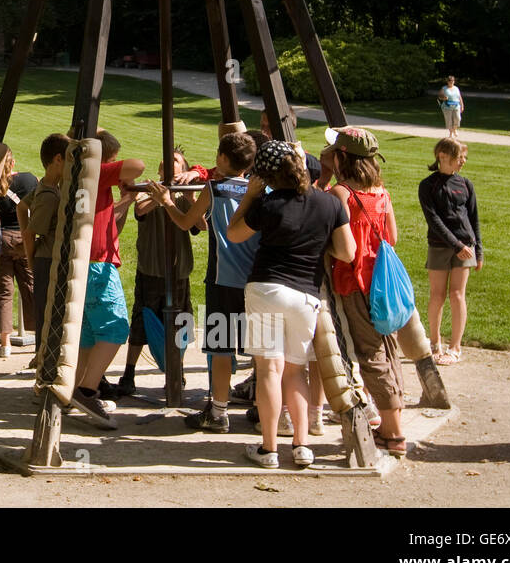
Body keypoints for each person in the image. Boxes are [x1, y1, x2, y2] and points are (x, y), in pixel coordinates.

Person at [228, 139, 355, 470]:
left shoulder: (268, 204)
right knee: (297, 370)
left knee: (269, 368)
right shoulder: (329, 204)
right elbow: (347, 252)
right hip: (305, 294)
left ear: (268, 176)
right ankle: (301, 445)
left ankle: (268, 449)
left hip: (267, 288)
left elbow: (234, 233)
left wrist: (250, 197)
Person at [155, 131, 259, 433]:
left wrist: (166, 201)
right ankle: (267, 409)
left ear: (223, 158)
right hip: (258, 282)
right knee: (263, 350)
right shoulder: (261, 192)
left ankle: (218, 411)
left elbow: (187, 223)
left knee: (222, 349)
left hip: (222, 280)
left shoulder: (215, 189)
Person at [325, 127, 408, 457]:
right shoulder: (381, 192)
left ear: (342, 157)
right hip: (383, 284)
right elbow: (393, 237)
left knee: (370, 356)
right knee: (388, 349)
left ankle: (393, 432)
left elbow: (343, 248)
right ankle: (393, 421)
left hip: (355, 282)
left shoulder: (341, 194)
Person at [69, 129, 143, 428]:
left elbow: (108, 218)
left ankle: (73, 391)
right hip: (98, 266)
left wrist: (124, 199)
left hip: (82, 264)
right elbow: (137, 165)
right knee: (115, 328)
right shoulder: (95, 173)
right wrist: (118, 172)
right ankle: (88, 391)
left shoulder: (78, 176)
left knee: (88, 336)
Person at [120, 147, 195, 397]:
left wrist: (181, 198)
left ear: (183, 169)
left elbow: (199, 225)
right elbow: (140, 210)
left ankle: (177, 372)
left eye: (175, 160)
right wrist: (161, 195)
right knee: (141, 322)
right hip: (151, 269)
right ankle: (129, 373)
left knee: (181, 325)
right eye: (166, 158)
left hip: (179, 271)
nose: (168, 161)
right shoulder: (147, 188)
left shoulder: (187, 195)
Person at [419, 137, 482, 365]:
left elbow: (473, 219)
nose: (462, 162)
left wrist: (479, 252)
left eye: (464, 157)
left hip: (466, 248)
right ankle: (434, 343)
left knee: (457, 295)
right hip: (440, 246)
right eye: (459, 157)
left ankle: (455, 347)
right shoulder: (428, 185)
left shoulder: (465, 185)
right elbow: (434, 220)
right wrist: (457, 246)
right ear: (442, 156)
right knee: (437, 295)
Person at [0, 147, 38, 357]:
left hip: (1, 241)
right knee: (32, 289)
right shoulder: (29, 180)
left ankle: (5, 343)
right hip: (25, 239)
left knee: (3, 293)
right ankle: (40, 341)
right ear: (13, 163)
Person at [22, 134, 68, 340]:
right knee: (48, 313)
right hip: (47, 260)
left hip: (48, 259)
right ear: (58, 159)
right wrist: (30, 261)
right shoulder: (48, 197)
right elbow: (31, 233)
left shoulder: (47, 186)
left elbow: (21, 206)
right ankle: (42, 356)